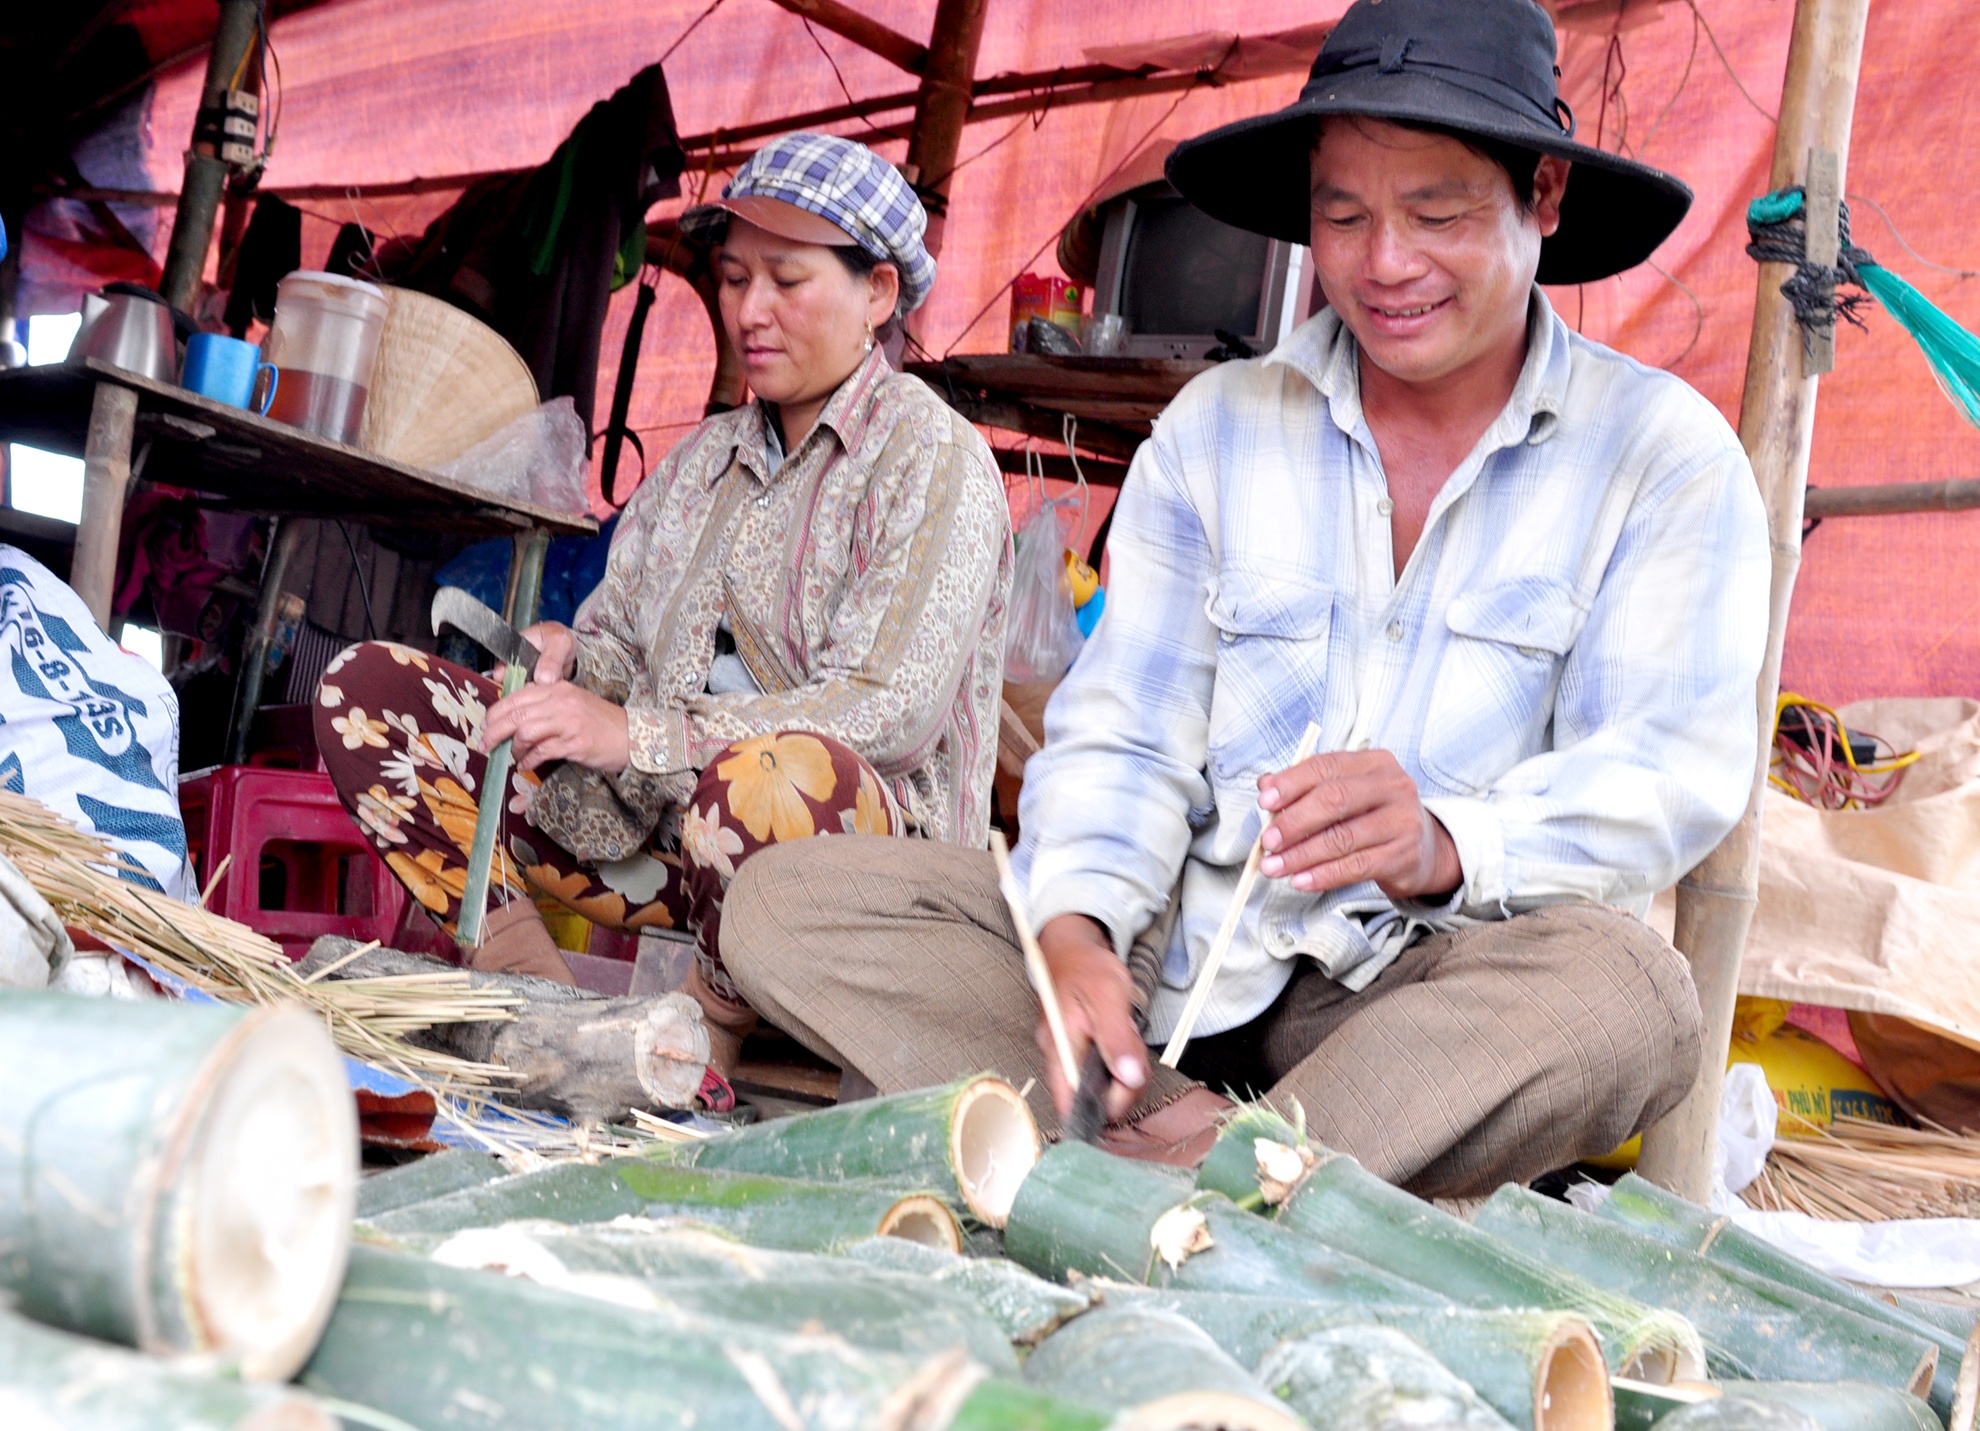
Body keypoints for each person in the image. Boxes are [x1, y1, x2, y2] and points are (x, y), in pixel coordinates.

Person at [716, 0, 1771, 1193]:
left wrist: (1443, 839)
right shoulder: (1217, 431)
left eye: (1438, 213)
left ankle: (1198, 1168)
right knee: (785, 903)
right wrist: (1077, 933)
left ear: (1544, 198)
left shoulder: (1658, 456)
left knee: (1630, 996)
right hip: (1178, 978)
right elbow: (1128, 731)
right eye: (1343, 214)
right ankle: (1245, 1160)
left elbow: (1668, 768)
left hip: (1423, 1000)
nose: (1385, 263)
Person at [316, 133, 1011, 1090]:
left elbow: (886, 712)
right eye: (731, 279)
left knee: (769, 776)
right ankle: (539, 1006)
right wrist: (571, 661)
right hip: (657, 843)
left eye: (787, 281)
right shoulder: (699, 464)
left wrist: (634, 732)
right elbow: (616, 644)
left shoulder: (935, 458)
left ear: (878, 295)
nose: (748, 312)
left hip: (853, 885)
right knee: (375, 696)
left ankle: (704, 1038)